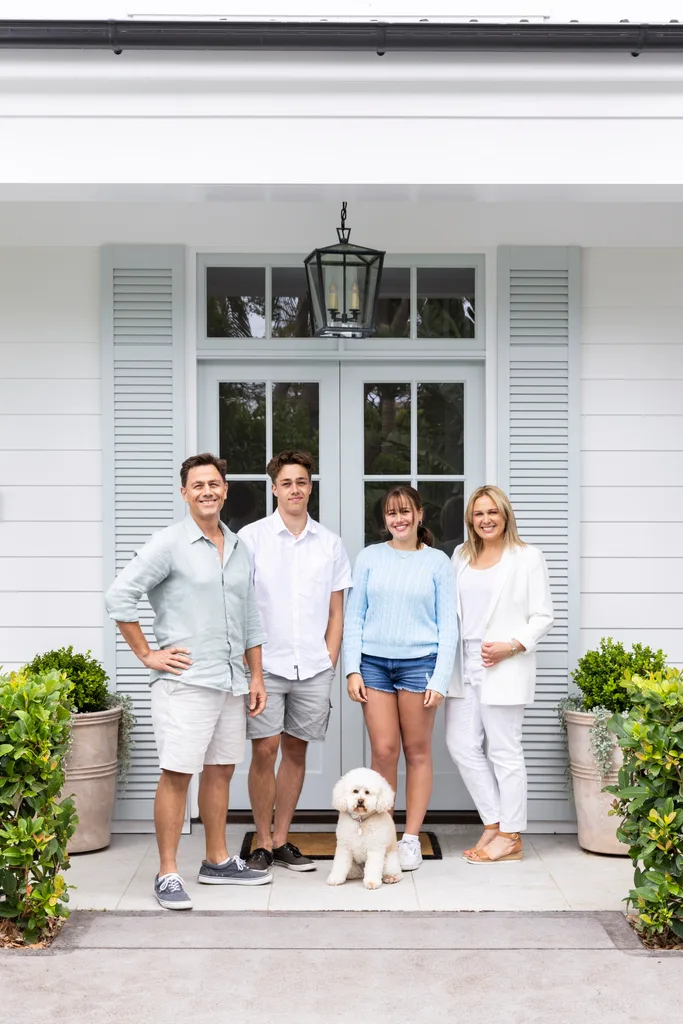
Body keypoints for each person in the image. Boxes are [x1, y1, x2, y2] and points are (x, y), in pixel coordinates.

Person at [105, 453, 272, 911]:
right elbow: (119, 596)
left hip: (230, 681)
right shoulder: (168, 544)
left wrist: (255, 676)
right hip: (185, 682)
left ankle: (217, 860)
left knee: (220, 770)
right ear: (184, 493)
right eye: (197, 485)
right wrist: (147, 654)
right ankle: (168, 871)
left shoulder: (239, 547)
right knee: (178, 772)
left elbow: (250, 618)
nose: (207, 492)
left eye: (214, 484)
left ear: (225, 489)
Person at [238, 450, 352, 872]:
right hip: (266, 666)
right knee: (265, 751)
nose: (295, 489)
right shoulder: (251, 539)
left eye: (302, 481)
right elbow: (244, 607)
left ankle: (283, 839)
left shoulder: (330, 543)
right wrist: (253, 669)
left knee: (297, 752)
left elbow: (337, 611)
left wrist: (330, 657)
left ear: (310, 486)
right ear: (274, 488)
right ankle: (262, 842)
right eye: (286, 483)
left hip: (313, 666)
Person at [343, 485, 458, 872]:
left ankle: (410, 839)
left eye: (405, 511)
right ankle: (383, 836)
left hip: (419, 664)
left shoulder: (438, 562)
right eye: (391, 513)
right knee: (384, 751)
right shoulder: (370, 557)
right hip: (374, 664)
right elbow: (354, 617)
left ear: (420, 514)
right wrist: (352, 668)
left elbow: (449, 627)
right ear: (385, 520)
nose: (399, 519)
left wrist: (440, 678)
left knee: (418, 751)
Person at [445, 485, 554, 864]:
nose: (486, 519)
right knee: (460, 744)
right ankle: (493, 821)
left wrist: (513, 645)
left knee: (505, 751)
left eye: (492, 512)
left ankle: (511, 835)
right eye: (478, 514)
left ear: (505, 515)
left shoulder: (527, 557)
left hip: (504, 663)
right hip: (464, 663)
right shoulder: (460, 556)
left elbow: (543, 615)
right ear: (470, 520)